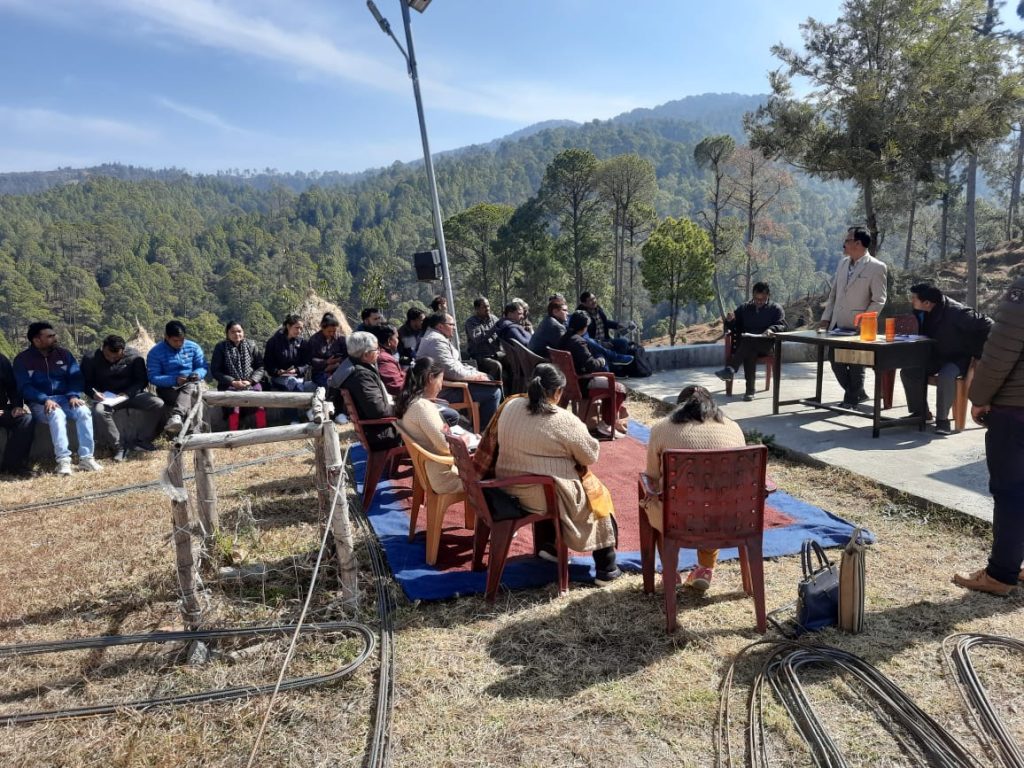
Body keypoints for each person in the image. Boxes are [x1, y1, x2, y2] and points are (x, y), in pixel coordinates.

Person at [495, 363, 620, 585]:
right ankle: (606, 568)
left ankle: (549, 546)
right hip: (544, 494)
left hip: (507, 486)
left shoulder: (510, 405)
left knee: (546, 477)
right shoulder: (563, 419)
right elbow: (590, 455)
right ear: (558, 392)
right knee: (597, 495)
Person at [954, 275, 1024, 596]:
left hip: (1016, 408)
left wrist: (979, 396)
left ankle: (1000, 575)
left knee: (1011, 492)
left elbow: (1000, 350)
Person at [642, 385, 746, 592]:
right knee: (714, 501)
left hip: (676, 517)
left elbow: (652, 476)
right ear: (712, 406)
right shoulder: (733, 428)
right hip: (725, 516)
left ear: (678, 408)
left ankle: (670, 571)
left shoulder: (661, 429)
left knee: (659, 502)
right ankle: (705, 568)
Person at [900, 283, 992, 435]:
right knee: (909, 372)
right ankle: (921, 413)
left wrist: (977, 356)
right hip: (936, 354)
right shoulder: (921, 311)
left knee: (946, 376)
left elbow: (988, 325)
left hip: (959, 358)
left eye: (914, 298)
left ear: (927, 303)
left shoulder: (957, 313)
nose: (911, 301)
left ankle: (942, 421)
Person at [14, 322, 102, 474]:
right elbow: (24, 387)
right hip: (40, 402)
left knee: (84, 412)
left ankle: (87, 458)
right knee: (57, 414)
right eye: (50, 336)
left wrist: (73, 395)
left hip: (66, 398)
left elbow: (76, 378)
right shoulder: (22, 360)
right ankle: (63, 461)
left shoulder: (64, 355)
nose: (55, 338)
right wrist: (44, 399)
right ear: (37, 340)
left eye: (54, 335)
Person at [819, 226, 888, 406]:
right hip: (837, 325)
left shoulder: (876, 267)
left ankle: (850, 399)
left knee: (857, 364)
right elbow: (834, 294)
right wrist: (826, 318)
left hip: (859, 327)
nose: (844, 244)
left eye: (847, 240)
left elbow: (879, 300)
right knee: (835, 361)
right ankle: (858, 393)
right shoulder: (843, 263)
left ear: (858, 243)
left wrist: (864, 321)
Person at [395, 358, 472, 495]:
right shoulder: (422, 407)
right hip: (445, 478)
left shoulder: (407, 402)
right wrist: (465, 439)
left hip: (428, 471)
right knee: (491, 472)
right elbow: (446, 446)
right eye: (441, 380)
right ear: (431, 378)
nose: (441, 387)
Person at [82, 334, 163, 460]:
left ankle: (143, 440)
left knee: (158, 404)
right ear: (102, 348)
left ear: (123, 351)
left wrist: (128, 393)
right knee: (99, 412)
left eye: (116, 357)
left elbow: (141, 381)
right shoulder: (90, 359)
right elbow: (85, 382)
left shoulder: (134, 357)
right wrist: (94, 393)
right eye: (108, 356)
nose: (111, 360)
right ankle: (119, 446)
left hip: (131, 395)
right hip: (105, 398)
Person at [417, 312, 503, 429]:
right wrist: (476, 376)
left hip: (446, 384)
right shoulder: (436, 341)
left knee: (489, 380)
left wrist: (476, 373)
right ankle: (485, 431)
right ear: (440, 326)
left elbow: (454, 365)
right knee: (493, 393)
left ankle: (483, 425)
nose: (454, 327)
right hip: (443, 390)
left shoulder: (435, 337)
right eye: (451, 324)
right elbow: (451, 371)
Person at [556, 311, 629, 437]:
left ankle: (607, 422)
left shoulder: (563, 339)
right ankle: (606, 425)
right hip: (583, 384)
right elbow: (592, 364)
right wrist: (601, 360)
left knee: (611, 383)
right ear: (584, 327)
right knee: (619, 389)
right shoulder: (579, 342)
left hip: (567, 383)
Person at [328, 331, 401, 451]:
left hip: (377, 430)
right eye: (376, 349)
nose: (379, 352)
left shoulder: (352, 365)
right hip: (382, 433)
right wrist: (403, 408)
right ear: (366, 354)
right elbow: (378, 410)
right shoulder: (361, 375)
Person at [715, 282, 787, 402]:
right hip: (747, 346)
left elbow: (782, 326)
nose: (759, 302)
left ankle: (731, 370)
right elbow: (733, 326)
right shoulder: (744, 308)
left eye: (762, 299)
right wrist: (730, 320)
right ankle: (749, 391)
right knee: (749, 349)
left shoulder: (775, 309)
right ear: (753, 295)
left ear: (768, 296)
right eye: (756, 299)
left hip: (765, 345)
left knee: (748, 343)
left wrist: (772, 330)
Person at [147, 320, 208, 437]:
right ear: (166, 337)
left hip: (191, 384)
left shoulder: (193, 347)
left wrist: (197, 374)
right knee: (190, 398)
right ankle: (192, 433)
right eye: (175, 341)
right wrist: (174, 380)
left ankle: (177, 416)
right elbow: (153, 377)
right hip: (168, 389)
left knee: (190, 387)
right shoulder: (155, 353)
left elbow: (202, 366)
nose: (179, 343)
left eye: (182, 340)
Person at [211, 321, 267, 431]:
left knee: (259, 403)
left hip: (250, 382)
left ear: (243, 332)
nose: (237, 334)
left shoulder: (251, 345)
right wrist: (232, 381)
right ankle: (234, 432)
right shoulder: (221, 347)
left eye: (239, 331)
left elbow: (260, 367)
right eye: (233, 332)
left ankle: (263, 430)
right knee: (234, 407)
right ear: (227, 333)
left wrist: (250, 381)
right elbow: (215, 371)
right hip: (229, 384)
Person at [0, 351, 34, 477]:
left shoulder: (1, 360)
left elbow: (12, 387)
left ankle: (13, 466)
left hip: (2, 409)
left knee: (25, 420)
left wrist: (17, 406)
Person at [264, 314, 312, 393]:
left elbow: (307, 363)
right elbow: (267, 363)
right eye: (297, 328)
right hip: (279, 378)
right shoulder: (273, 342)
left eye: (301, 328)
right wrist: (278, 371)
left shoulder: (302, 343)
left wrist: (296, 370)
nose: (299, 331)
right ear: (288, 326)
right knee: (293, 383)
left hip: (298, 377)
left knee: (303, 385)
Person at [464, 296, 503, 382]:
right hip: (481, 356)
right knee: (496, 366)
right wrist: (493, 329)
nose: (487, 309)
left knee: (514, 360)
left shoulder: (493, 319)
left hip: (496, 353)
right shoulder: (471, 322)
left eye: (488, 306)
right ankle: (495, 389)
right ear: (477, 309)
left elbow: (500, 333)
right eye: (484, 307)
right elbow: (477, 339)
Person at [305, 312, 347, 388]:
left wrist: (337, 363)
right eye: (329, 331)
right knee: (332, 385)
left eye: (334, 331)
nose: (332, 334)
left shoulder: (340, 339)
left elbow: (347, 355)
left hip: (338, 369)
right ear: (322, 328)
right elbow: (310, 360)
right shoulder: (314, 340)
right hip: (320, 373)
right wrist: (326, 362)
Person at [371, 324, 406, 397]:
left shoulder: (384, 355)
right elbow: (397, 387)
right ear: (389, 340)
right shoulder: (384, 359)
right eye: (396, 337)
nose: (398, 340)